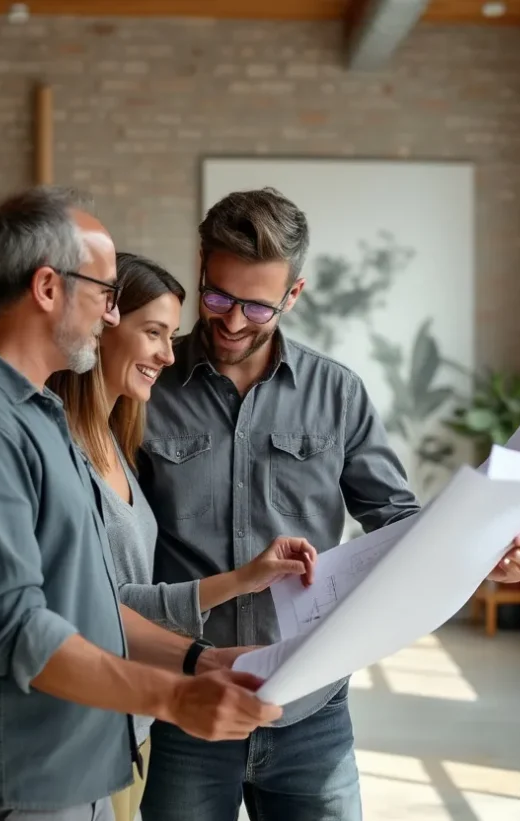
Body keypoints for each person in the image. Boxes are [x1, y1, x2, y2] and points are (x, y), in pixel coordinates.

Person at [136, 187, 520, 821]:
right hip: (190, 698)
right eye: (218, 296)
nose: (233, 321)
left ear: (293, 296)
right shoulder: (146, 388)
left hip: (311, 710)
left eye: (257, 305)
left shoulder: (337, 394)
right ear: (199, 267)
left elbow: (396, 520)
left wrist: (479, 554)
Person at [0, 186, 284, 821]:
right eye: (105, 294)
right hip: (17, 788)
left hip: (74, 778)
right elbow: (16, 631)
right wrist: (177, 699)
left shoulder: (40, 417)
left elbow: (89, 605)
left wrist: (200, 661)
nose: (110, 317)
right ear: (48, 288)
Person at [47, 251, 318, 821]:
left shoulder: (117, 440)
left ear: (291, 296)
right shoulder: (59, 448)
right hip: (94, 715)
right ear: (106, 321)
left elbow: (118, 598)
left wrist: (246, 580)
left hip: (129, 725)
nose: (169, 355)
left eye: (171, 335)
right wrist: (203, 655)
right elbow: (94, 604)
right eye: (154, 333)